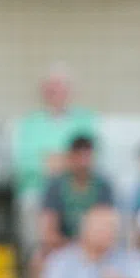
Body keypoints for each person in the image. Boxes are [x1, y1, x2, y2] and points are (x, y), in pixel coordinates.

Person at [13, 64, 98, 196]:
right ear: (44, 92)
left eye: (62, 87)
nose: (57, 93)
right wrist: (66, 161)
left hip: (77, 188)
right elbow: (25, 162)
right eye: (52, 88)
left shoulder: (85, 119)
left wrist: (56, 161)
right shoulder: (30, 123)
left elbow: (93, 154)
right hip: (39, 188)